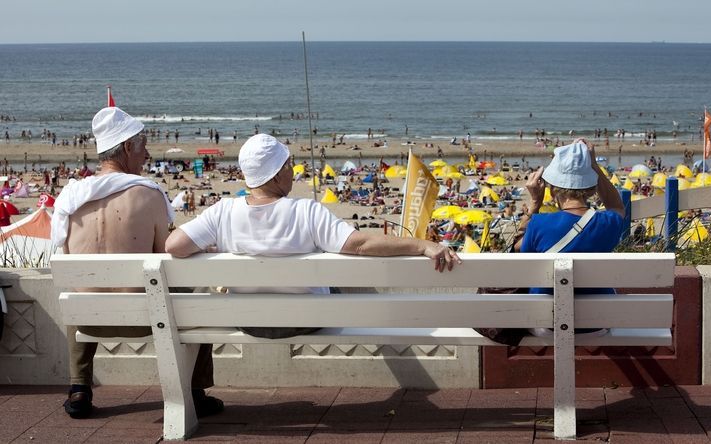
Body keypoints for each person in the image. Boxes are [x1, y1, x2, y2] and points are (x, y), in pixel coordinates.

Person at [165, 134, 460, 338]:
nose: (293, 172)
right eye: (289, 165)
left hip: (250, 321)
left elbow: (174, 245)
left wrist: (218, 247)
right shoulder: (306, 211)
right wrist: (422, 244)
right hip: (305, 322)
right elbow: (361, 245)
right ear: (278, 173)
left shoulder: (222, 211)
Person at [51, 107, 222, 419]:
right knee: (197, 292)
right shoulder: (148, 195)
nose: (147, 153)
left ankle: (79, 388)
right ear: (127, 147)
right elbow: (167, 258)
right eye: (143, 145)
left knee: (81, 291)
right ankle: (196, 391)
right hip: (142, 318)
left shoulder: (69, 199)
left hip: (87, 320)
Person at [514, 139, 624, 335]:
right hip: (597, 323)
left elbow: (518, 250)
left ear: (552, 188)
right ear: (591, 188)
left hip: (546, 324)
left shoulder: (539, 224)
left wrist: (534, 203)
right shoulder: (608, 222)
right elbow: (617, 206)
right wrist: (594, 166)